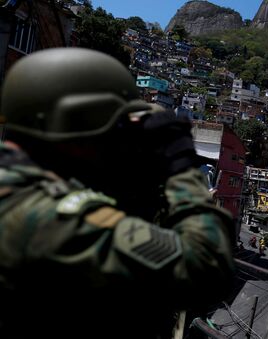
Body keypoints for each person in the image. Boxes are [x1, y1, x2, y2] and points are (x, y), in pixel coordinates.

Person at [0, 48, 235, 338]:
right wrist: (181, 166)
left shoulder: (16, 184)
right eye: (113, 127)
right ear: (78, 123)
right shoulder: (51, 214)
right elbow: (207, 270)